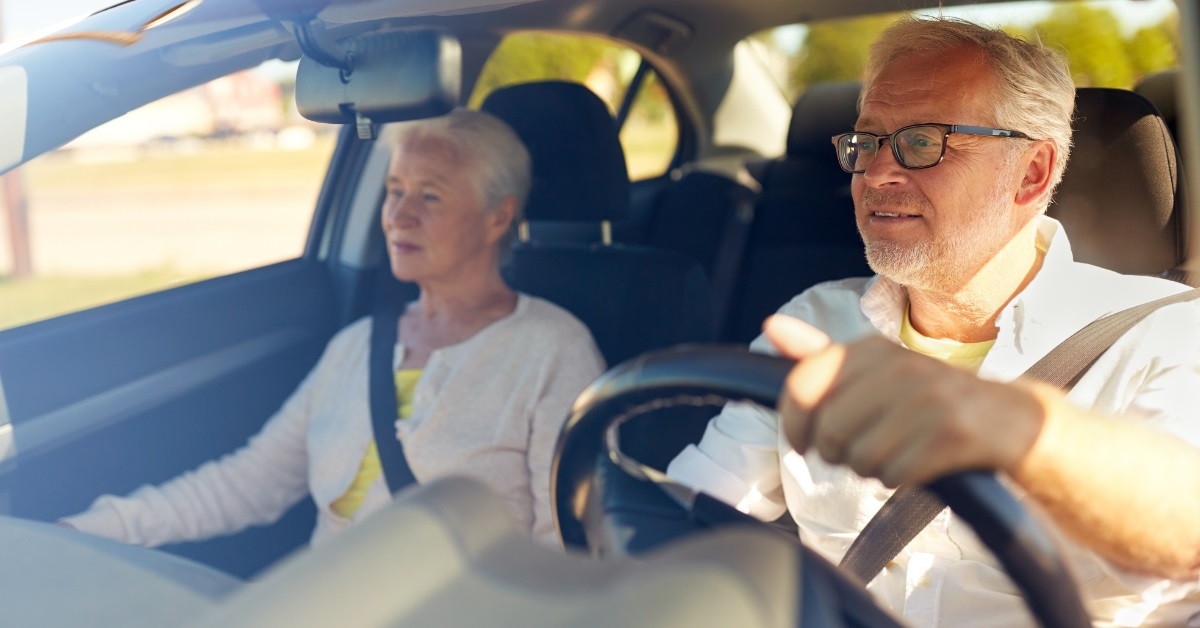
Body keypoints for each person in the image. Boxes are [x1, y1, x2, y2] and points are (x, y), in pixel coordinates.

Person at [667, 16, 1200, 626]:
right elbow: (689, 520)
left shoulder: (1168, 336)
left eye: (923, 142)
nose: (877, 174)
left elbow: (1185, 532)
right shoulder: (816, 320)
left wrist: (1014, 429)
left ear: (1032, 173)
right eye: (866, 143)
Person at [62, 110, 605, 548]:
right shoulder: (358, 346)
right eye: (395, 190)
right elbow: (247, 484)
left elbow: (560, 545)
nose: (398, 215)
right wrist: (90, 531)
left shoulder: (553, 350)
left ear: (497, 217)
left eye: (430, 196)